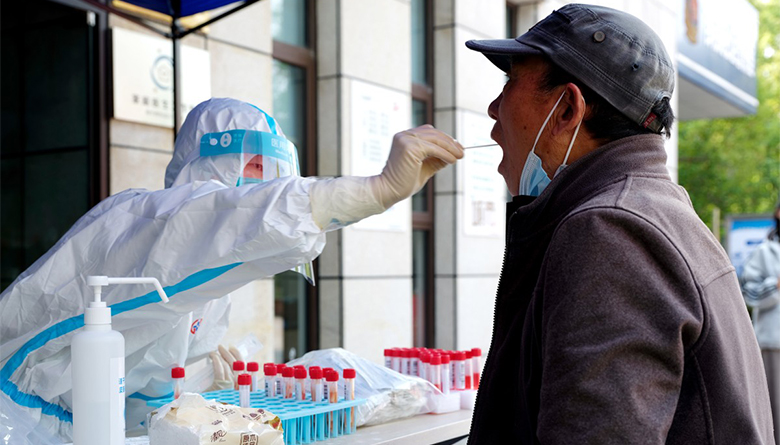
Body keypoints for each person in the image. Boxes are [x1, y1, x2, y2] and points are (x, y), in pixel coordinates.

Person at [0, 97, 463, 442]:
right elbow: (220, 216)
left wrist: (202, 376)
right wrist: (373, 191)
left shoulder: (207, 276)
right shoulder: (142, 217)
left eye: (271, 171)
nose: (262, 183)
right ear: (207, 161)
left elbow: (143, 393)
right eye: (251, 165)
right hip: (18, 425)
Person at [464, 4, 773, 443]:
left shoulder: (609, 231)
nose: (494, 109)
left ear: (567, 109)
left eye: (509, 82)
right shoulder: (655, 207)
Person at [742, 199, 780, 444]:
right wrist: (775, 285)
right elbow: (746, 290)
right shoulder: (765, 251)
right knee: (775, 411)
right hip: (773, 344)